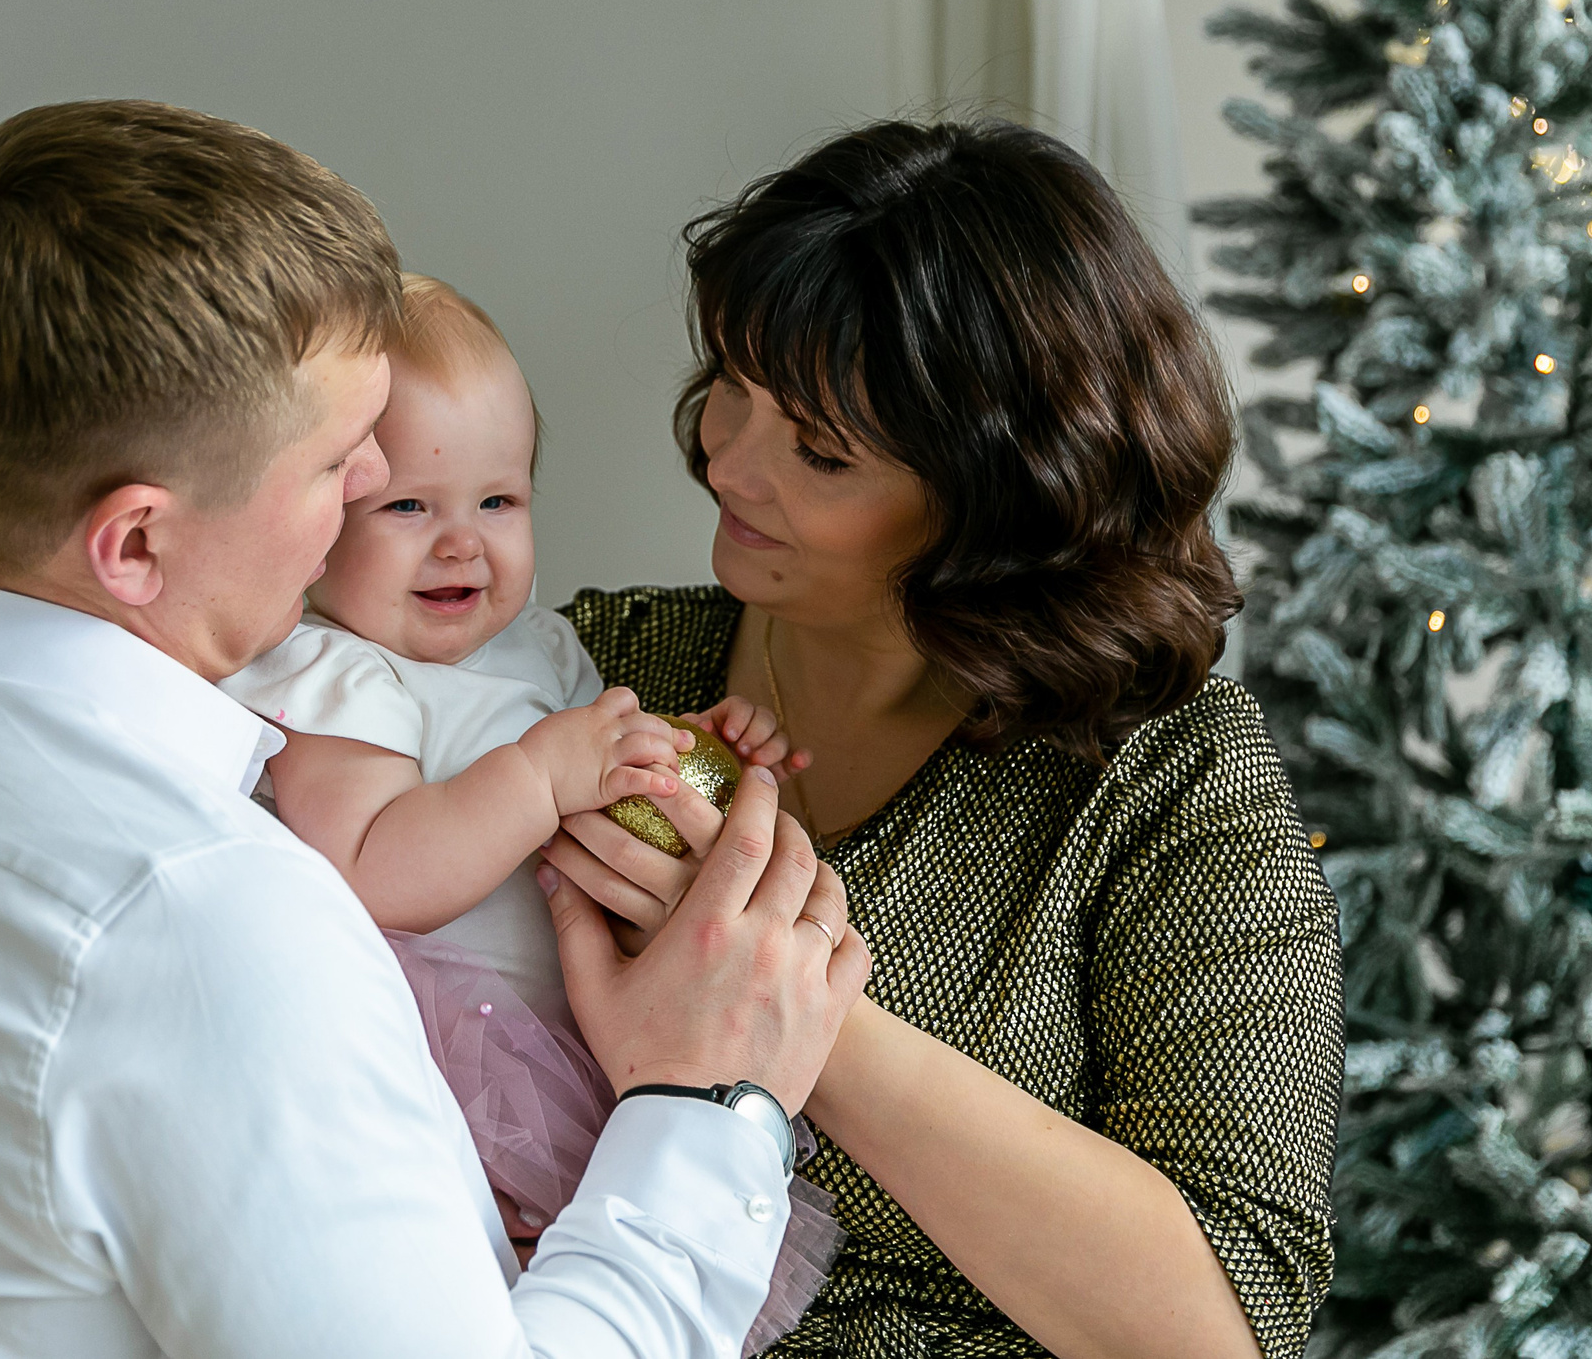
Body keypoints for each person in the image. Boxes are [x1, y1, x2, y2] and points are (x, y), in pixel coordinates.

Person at [0, 100, 870, 1359]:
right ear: (135, 542)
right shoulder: (201, 911)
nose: (365, 500)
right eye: (338, 465)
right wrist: (706, 1099)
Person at [541, 118, 1345, 1359]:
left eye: (820, 450)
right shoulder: (593, 675)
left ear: (996, 499)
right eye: (732, 392)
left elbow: (1221, 1324)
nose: (729, 467)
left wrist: (795, 1010)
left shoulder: (1163, 781)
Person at [217, 274, 837, 1350]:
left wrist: (687, 754)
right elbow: (368, 873)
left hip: (570, 1049)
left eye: (498, 502)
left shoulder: (539, 647)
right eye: (408, 507)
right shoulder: (331, 676)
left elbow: (593, 783)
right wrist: (539, 777)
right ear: (319, 515)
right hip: (441, 1064)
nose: (462, 543)